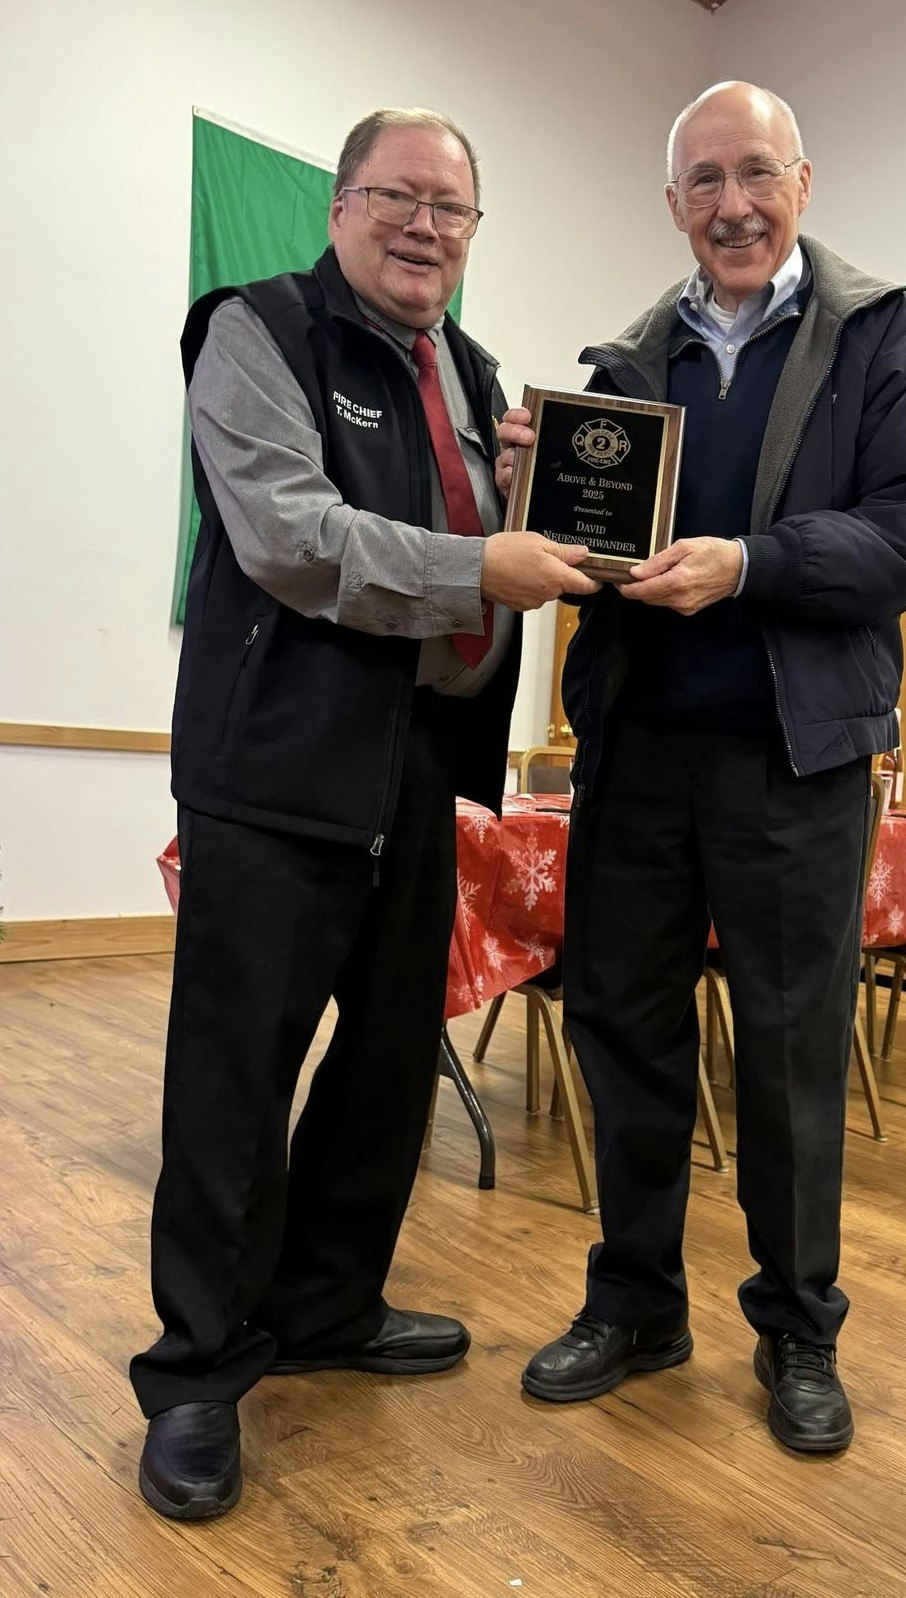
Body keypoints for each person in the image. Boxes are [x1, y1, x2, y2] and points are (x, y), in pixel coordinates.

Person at [497, 81, 906, 1453]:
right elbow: (581, 547)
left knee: (784, 1058)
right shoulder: (622, 356)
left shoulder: (889, 338)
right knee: (622, 1028)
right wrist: (535, 485)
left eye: (753, 174)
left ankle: (797, 1328)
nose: (730, 205)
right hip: (636, 751)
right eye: (702, 181)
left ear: (803, 184)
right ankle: (637, 1302)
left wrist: (754, 566)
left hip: (794, 757)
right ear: (671, 206)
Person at [132, 106, 598, 1521]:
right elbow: (288, 535)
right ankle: (200, 1371)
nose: (423, 227)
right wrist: (484, 561)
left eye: (451, 208)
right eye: (397, 197)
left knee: (388, 1067)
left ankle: (329, 1305)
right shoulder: (255, 333)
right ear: (339, 207)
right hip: (273, 773)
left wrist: (522, 490)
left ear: (470, 233)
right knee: (234, 1081)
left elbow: (470, 543)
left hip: (418, 775)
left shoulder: (472, 372)